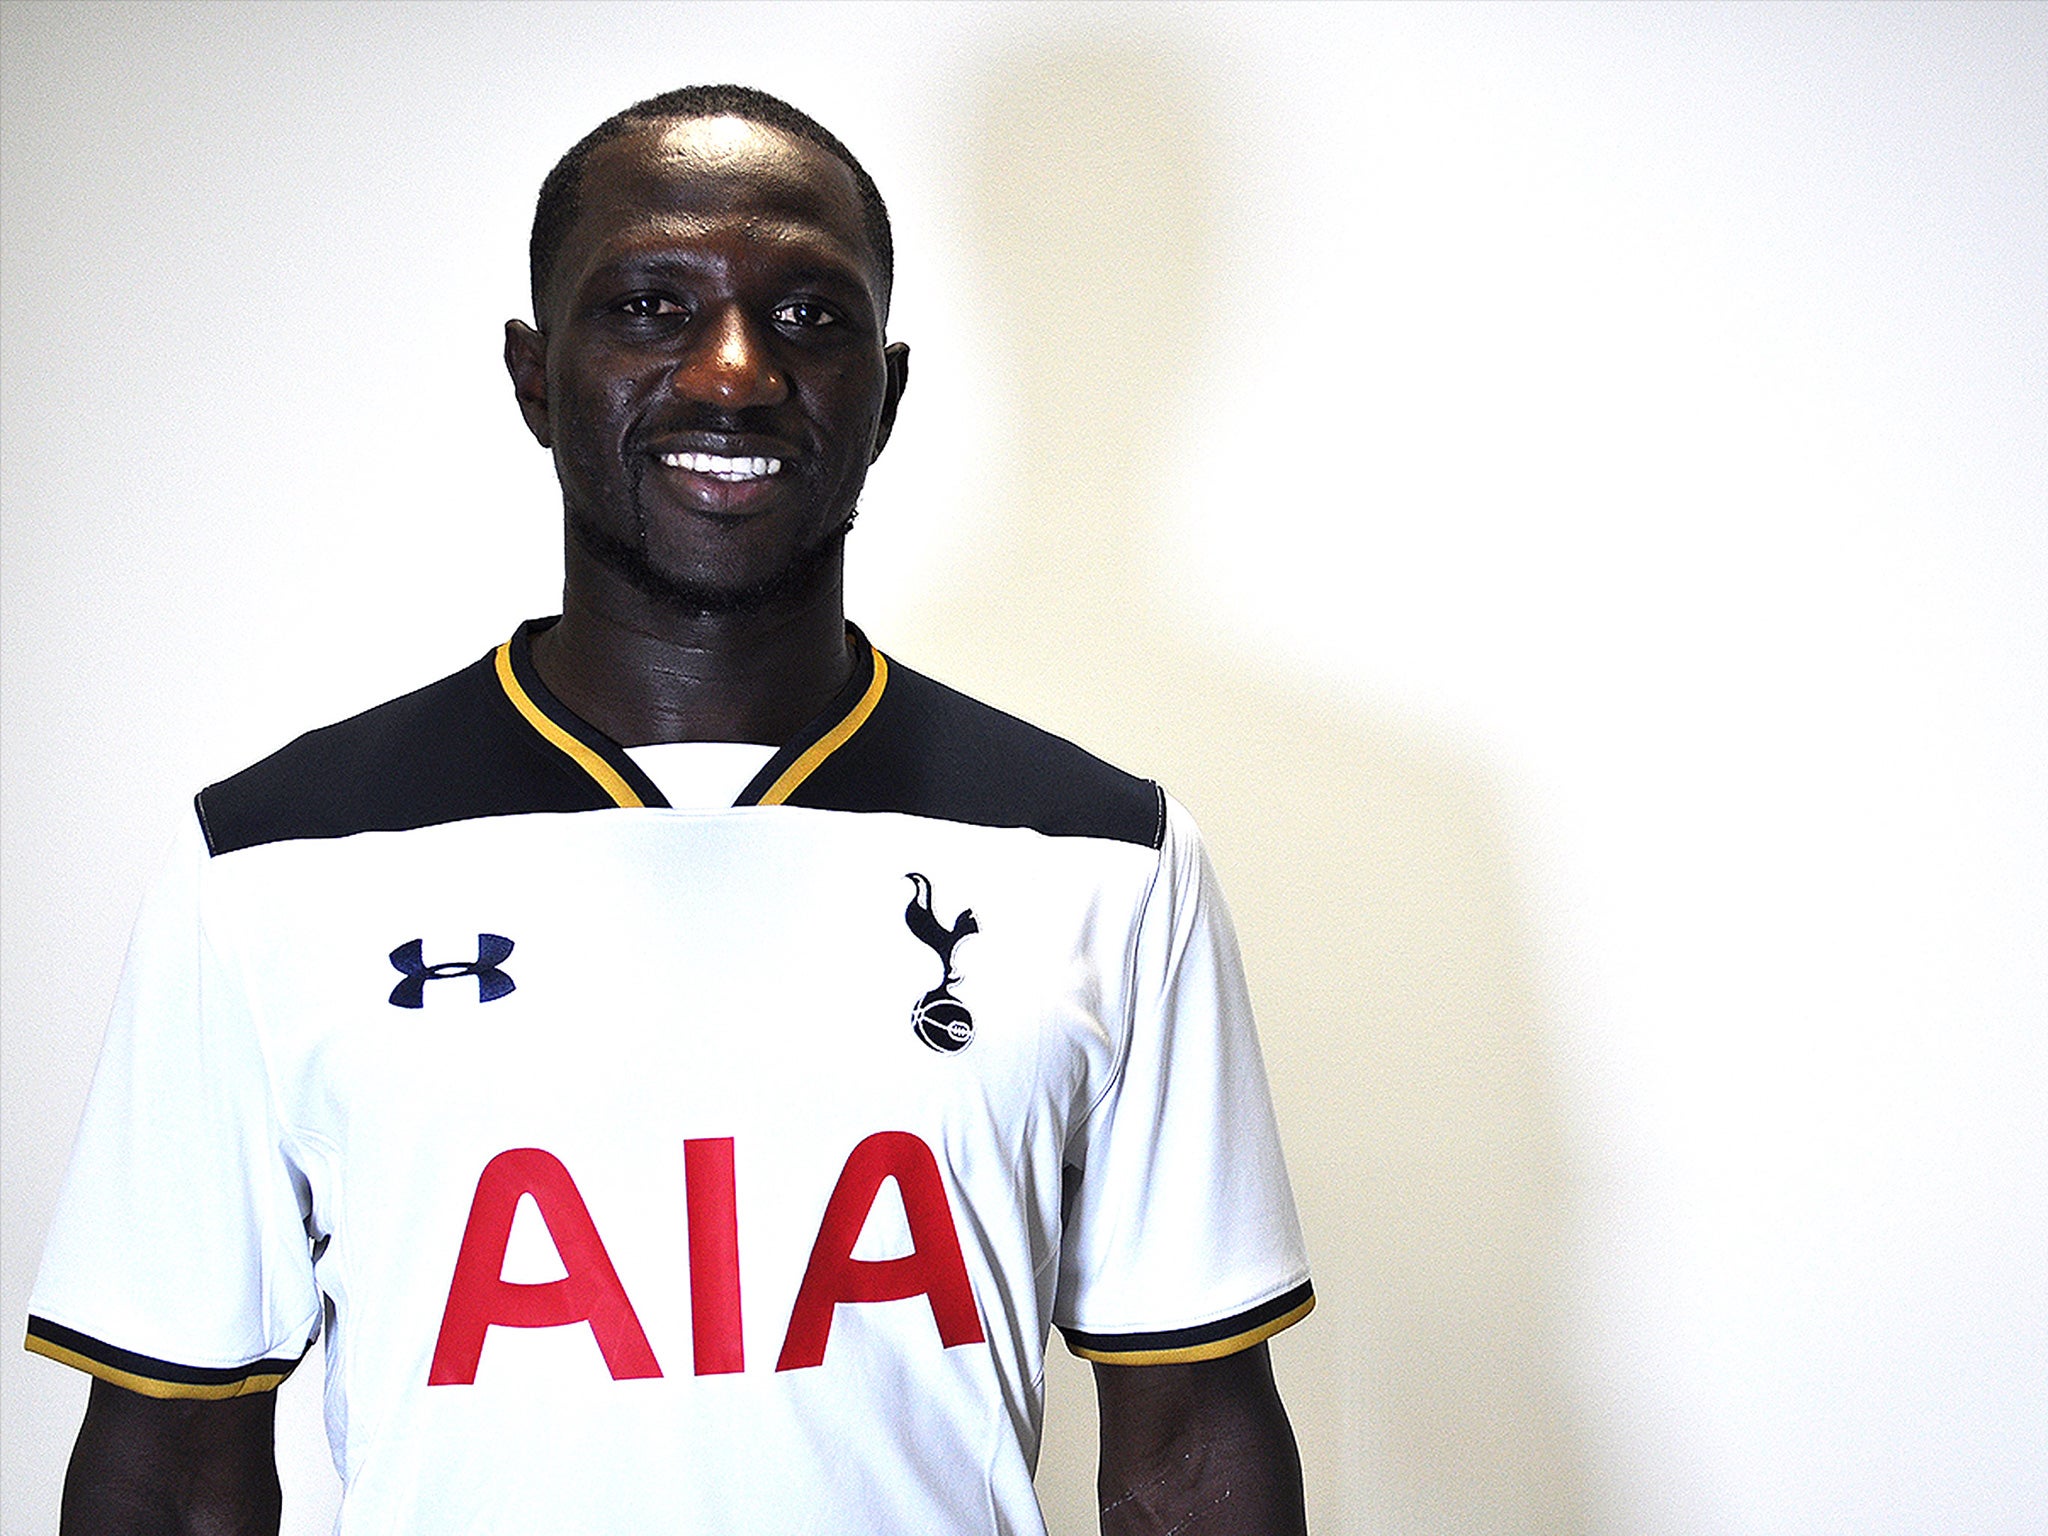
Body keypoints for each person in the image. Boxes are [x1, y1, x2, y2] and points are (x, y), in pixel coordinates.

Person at [26, 85, 1312, 1535]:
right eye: (649, 307)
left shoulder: (1104, 859)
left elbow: (1189, 1446)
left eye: (812, 319)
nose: (732, 373)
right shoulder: (271, 866)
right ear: (533, 377)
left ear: (885, 397)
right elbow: (176, 1467)